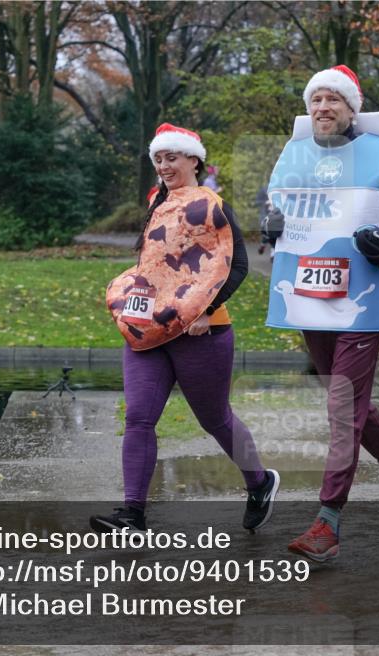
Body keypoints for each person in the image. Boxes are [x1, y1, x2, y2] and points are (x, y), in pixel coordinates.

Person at [263, 65, 379, 563]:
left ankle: (327, 522)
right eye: (316, 100)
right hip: (309, 297)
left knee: (342, 407)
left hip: (362, 298)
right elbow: (276, 212)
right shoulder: (294, 153)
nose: (323, 108)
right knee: (351, 402)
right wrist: (271, 224)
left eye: (333, 100)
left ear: (351, 108)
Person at [94, 124, 279, 533]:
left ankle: (259, 482)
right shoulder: (156, 202)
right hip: (148, 329)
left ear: (194, 160)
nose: (164, 166)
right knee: (139, 418)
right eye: (158, 159)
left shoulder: (211, 205)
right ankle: (132, 514)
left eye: (172, 158)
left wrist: (205, 310)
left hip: (202, 333)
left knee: (215, 420)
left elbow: (238, 266)